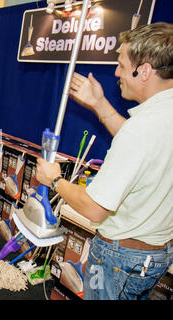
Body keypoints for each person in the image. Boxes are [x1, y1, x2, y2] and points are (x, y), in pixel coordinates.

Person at [35, 22, 173, 300]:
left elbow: (95, 209)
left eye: (121, 64)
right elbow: (143, 146)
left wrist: (55, 179)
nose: (116, 72)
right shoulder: (161, 116)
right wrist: (99, 104)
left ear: (144, 70)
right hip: (154, 253)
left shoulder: (142, 129)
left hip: (119, 259)